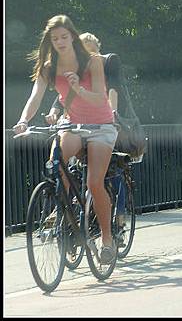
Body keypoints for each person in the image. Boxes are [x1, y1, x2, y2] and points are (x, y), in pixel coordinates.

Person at [13, 14, 118, 264]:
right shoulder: (49, 67)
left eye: (63, 37)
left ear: (72, 36)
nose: (60, 42)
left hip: (101, 125)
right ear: (49, 41)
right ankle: (61, 208)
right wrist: (23, 120)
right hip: (72, 124)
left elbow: (100, 99)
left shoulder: (92, 62)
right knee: (57, 160)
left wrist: (79, 89)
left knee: (94, 182)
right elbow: (35, 96)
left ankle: (107, 239)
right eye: (54, 38)